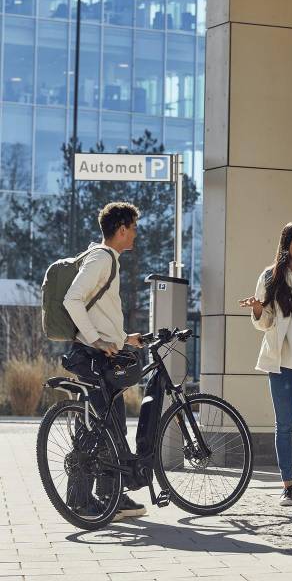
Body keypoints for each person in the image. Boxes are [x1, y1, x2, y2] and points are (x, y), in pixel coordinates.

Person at [63, 201, 146, 521]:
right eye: (133, 228)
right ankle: (80, 502)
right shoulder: (101, 258)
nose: (136, 234)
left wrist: (124, 338)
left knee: (113, 426)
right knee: (92, 428)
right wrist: (95, 339)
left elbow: (102, 312)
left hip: (103, 356)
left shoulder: (108, 259)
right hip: (90, 356)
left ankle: (112, 496)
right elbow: (72, 298)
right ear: (121, 229)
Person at [239, 220, 292, 507]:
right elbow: (265, 323)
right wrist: (257, 309)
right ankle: (287, 486)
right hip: (281, 364)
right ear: (286, 243)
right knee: (284, 426)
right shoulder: (270, 276)